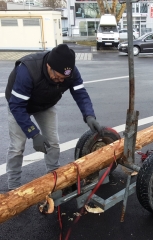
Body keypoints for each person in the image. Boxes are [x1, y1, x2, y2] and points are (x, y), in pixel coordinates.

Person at [5, 44, 102, 190]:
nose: (61, 80)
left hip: (45, 105)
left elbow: (80, 93)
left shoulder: (70, 72)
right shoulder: (28, 70)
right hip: (20, 106)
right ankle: (13, 186)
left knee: (53, 142)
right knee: (17, 147)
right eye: (57, 77)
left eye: (64, 78)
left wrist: (89, 115)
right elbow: (17, 106)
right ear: (49, 66)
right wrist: (34, 133)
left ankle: (53, 175)